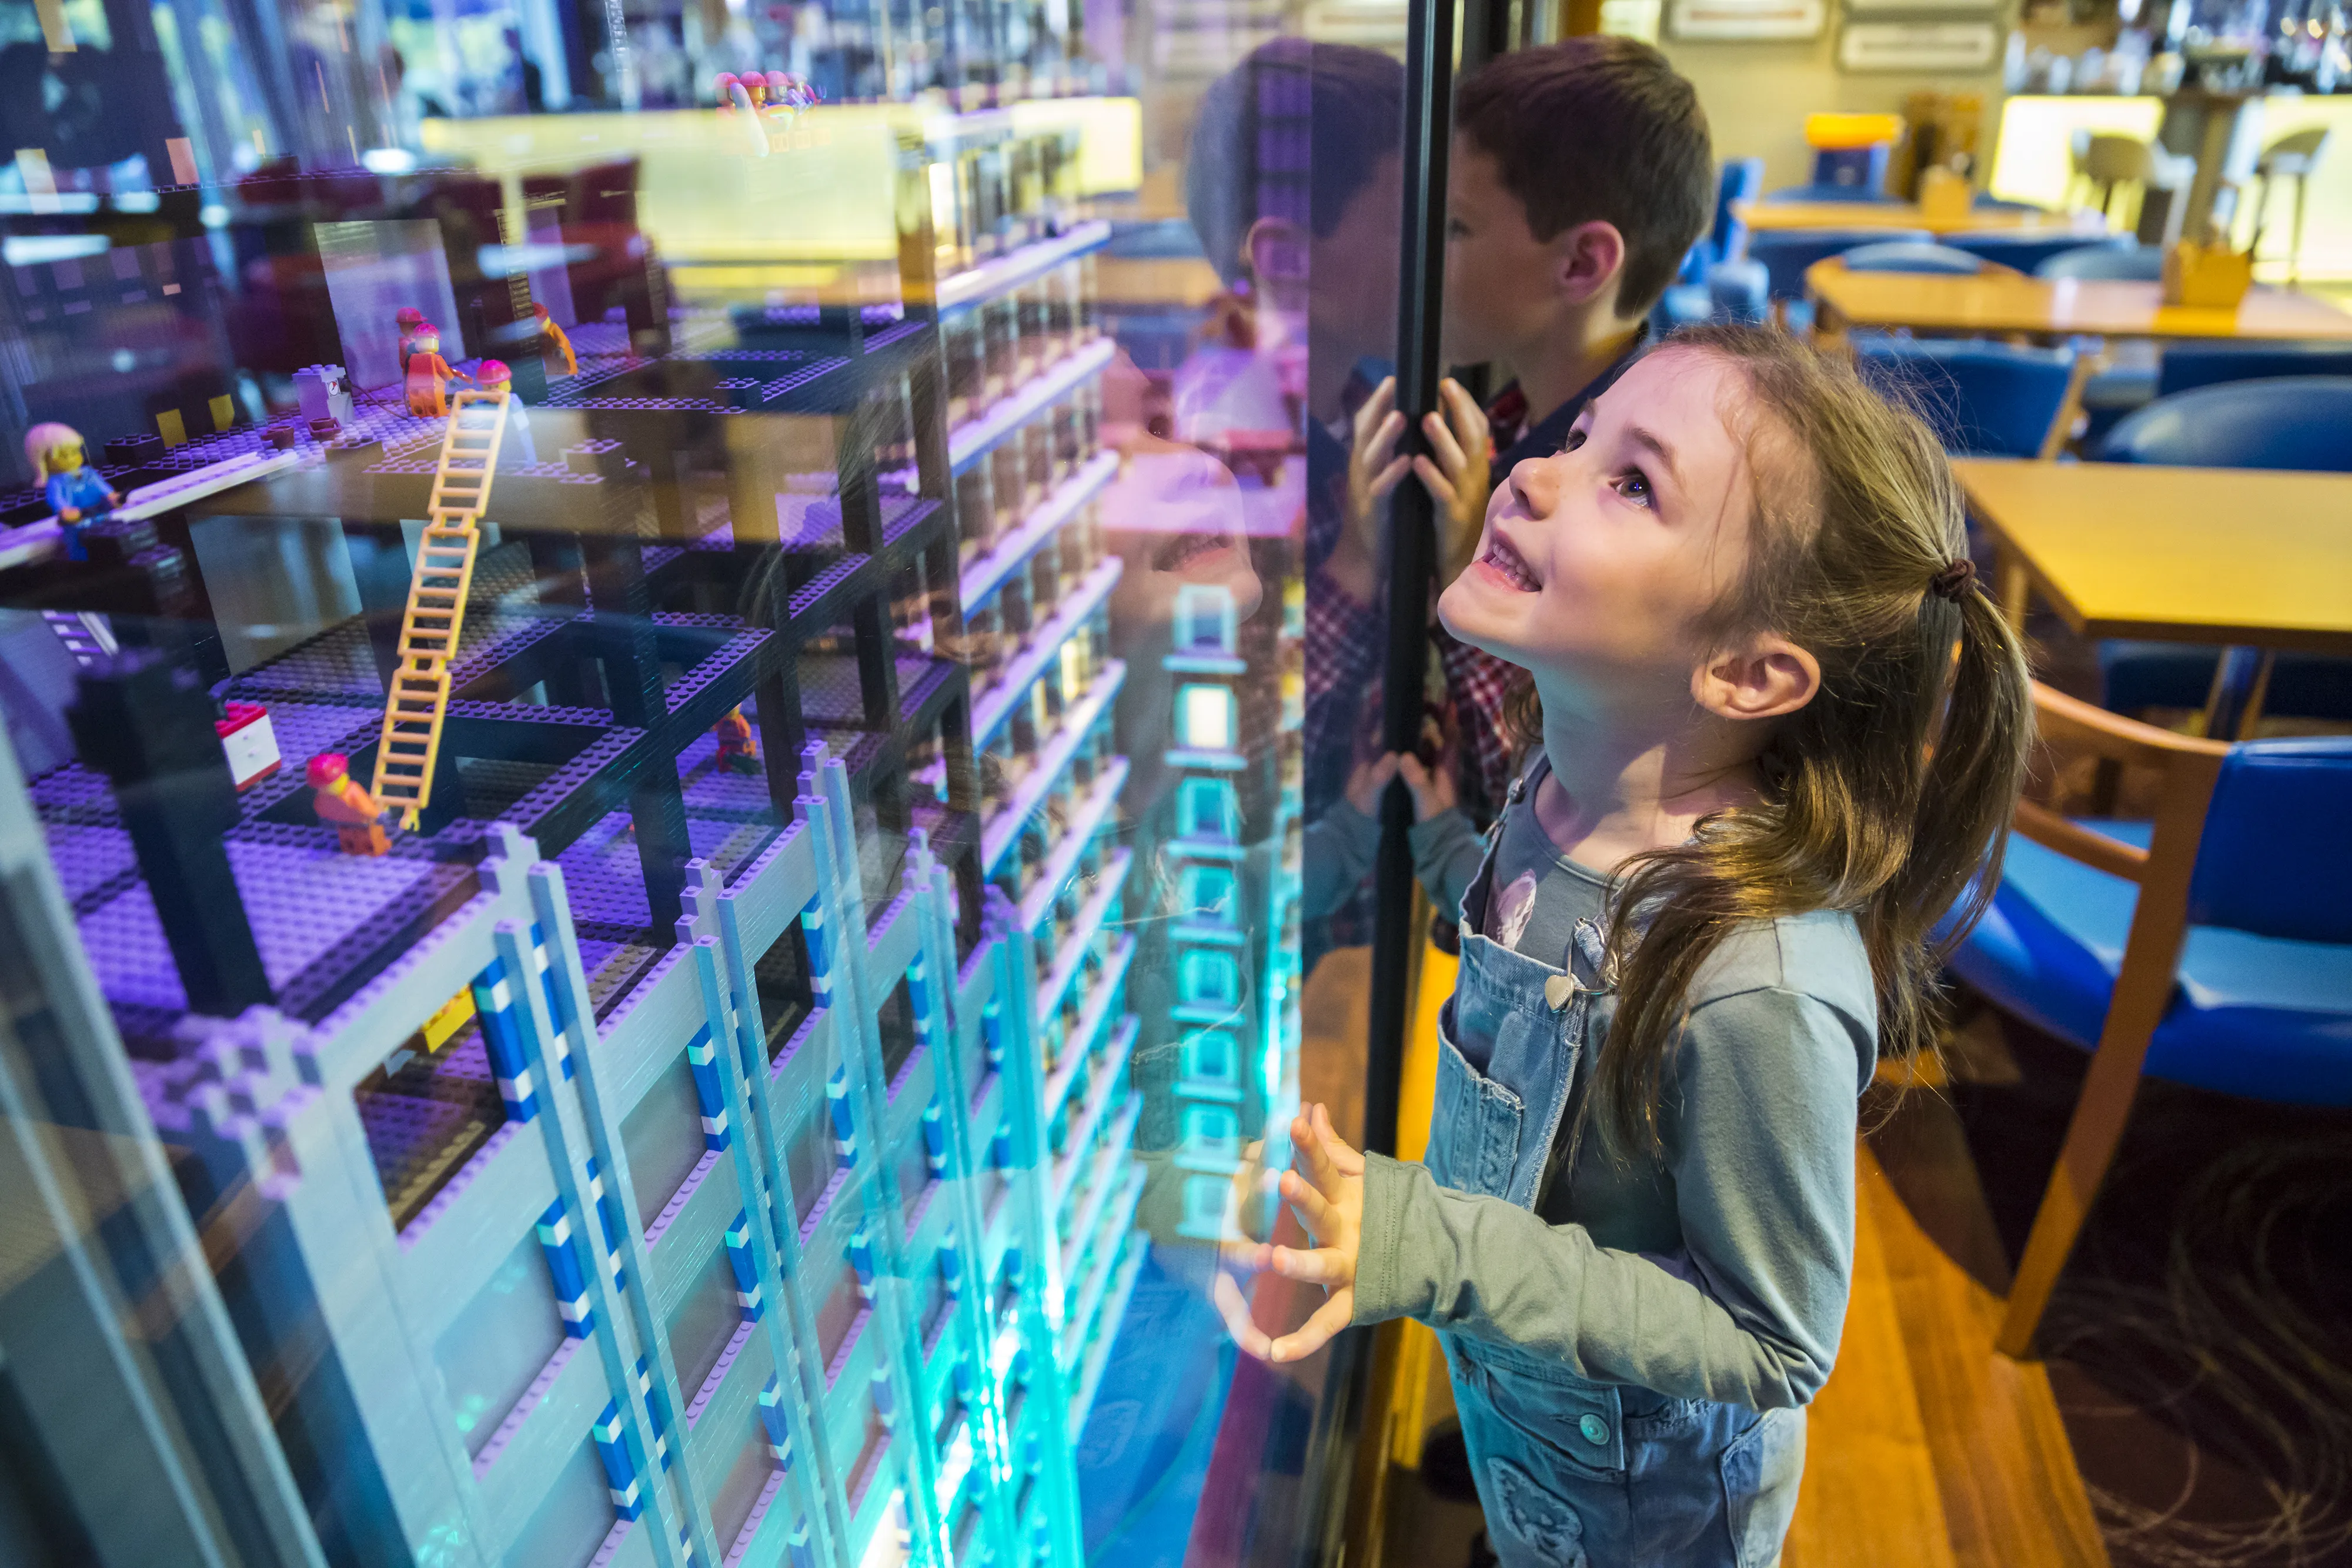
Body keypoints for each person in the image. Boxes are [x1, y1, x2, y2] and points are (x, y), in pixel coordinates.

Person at [1218, 327, 2033, 1568]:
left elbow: (1773, 1340)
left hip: (1644, 1516)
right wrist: (1446, 848)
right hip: (1525, 1417)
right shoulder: (1563, 784)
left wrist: (1435, 1247)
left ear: (1748, 673)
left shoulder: (1757, 980)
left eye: (1630, 482)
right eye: (1583, 435)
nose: (1532, 471)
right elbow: (1531, 949)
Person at [1307, 38, 1715, 950]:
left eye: (1453, 229)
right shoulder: (1509, 413)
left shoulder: (1662, 498)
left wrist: (1468, 573)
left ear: (1580, 266)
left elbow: (1561, 790)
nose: (1421, 256)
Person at [25, 422, 121, 561]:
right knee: (81, 551)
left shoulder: (88, 473)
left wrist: (113, 498)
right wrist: (66, 511)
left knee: (112, 546)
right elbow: (57, 501)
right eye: (64, 456)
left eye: (75, 452)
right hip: (78, 525)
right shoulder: (56, 483)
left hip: (101, 517)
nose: (72, 459)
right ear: (43, 460)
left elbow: (103, 488)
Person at [404, 323, 471, 417]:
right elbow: (444, 372)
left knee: (419, 401)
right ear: (434, 342)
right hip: (433, 385)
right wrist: (450, 377)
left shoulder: (412, 359)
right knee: (435, 400)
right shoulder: (436, 358)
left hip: (415, 386)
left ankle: (420, 412)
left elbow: (410, 373)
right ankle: (438, 411)